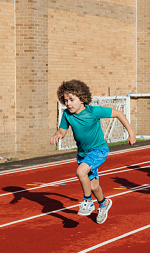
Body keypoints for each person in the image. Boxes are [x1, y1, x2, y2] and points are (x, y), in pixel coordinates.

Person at [50, 80, 136, 224]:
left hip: (99, 150)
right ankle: (103, 204)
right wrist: (58, 133)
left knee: (80, 172)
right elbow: (63, 130)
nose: (68, 103)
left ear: (82, 98)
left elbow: (119, 114)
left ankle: (88, 202)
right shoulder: (67, 115)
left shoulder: (93, 111)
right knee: (94, 185)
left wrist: (131, 133)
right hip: (83, 153)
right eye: (65, 100)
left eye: (72, 100)